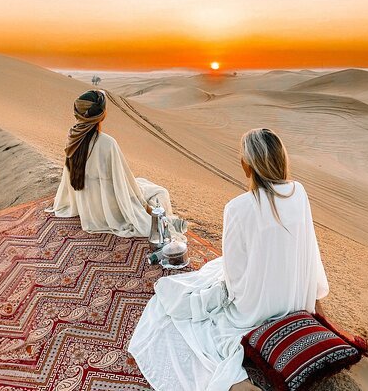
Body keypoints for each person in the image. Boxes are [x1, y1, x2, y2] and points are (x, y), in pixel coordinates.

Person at [129, 128, 330, 391]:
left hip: (252, 310)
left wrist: (222, 296)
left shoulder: (237, 207)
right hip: (295, 299)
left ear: (247, 167)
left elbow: (234, 278)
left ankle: (238, 385)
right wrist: (310, 299)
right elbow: (309, 250)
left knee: (175, 307)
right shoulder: (299, 192)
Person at [46, 89, 173, 237]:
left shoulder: (72, 137)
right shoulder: (108, 143)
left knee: (143, 183)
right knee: (160, 192)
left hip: (86, 203)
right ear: (101, 115)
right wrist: (142, 205)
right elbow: (122, 181)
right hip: (108, 206)